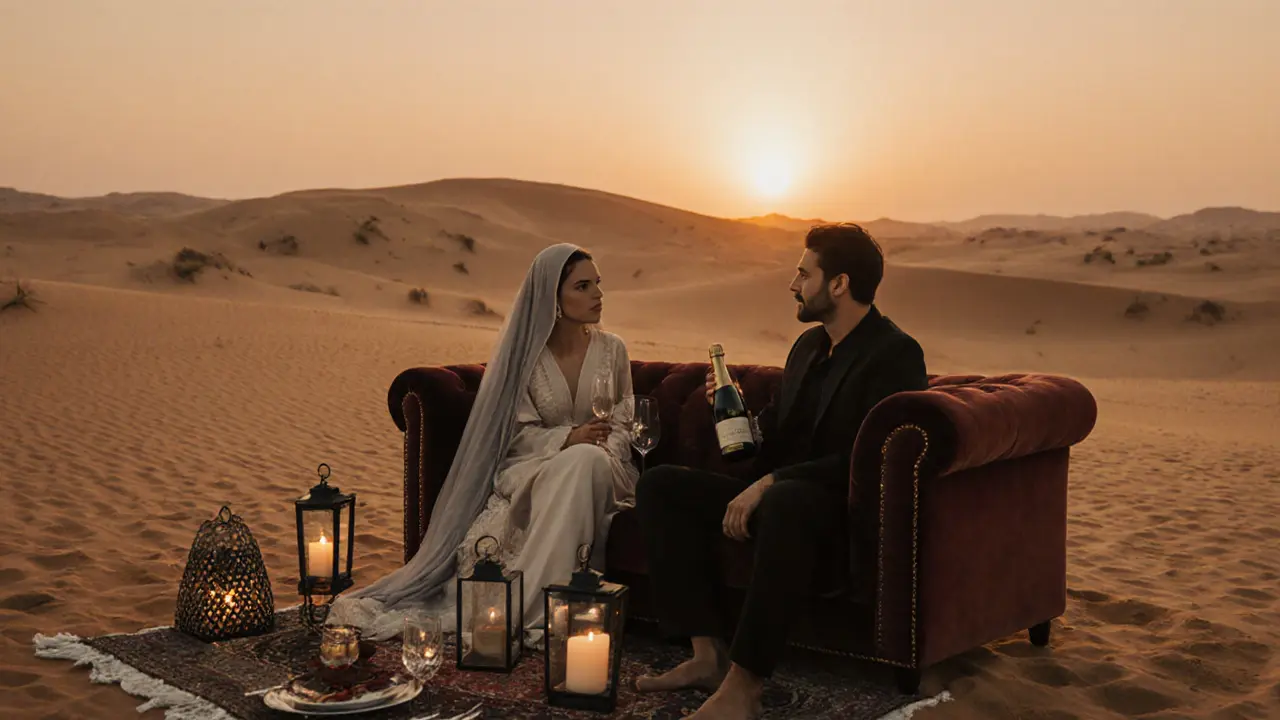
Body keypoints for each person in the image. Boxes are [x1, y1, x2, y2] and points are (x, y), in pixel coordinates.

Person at [633, 223, 929, 719]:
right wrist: (739, 419)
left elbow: (866, 457)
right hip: (780, 493)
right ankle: (706, 655)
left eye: (803, 273)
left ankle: (745, 686)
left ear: (839, 283)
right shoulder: (809, 346)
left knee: (788, 501)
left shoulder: (895, 353)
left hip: (833, 510)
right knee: (661, 486)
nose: (793, 284)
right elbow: (780, 436)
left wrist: (769, 485)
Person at [327, 243, 639, 643]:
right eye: (583, 286)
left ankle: (528, 608)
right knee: (579, 462)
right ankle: (545, 604)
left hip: (609, 465)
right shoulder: (527, 358)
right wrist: (568, 439)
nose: (597, 295)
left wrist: (596, 448)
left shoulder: (613, 349)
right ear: (553, 298)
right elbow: (519, 434)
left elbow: (626, 419)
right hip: (538, 465)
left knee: (588, 464)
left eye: (597, 284)